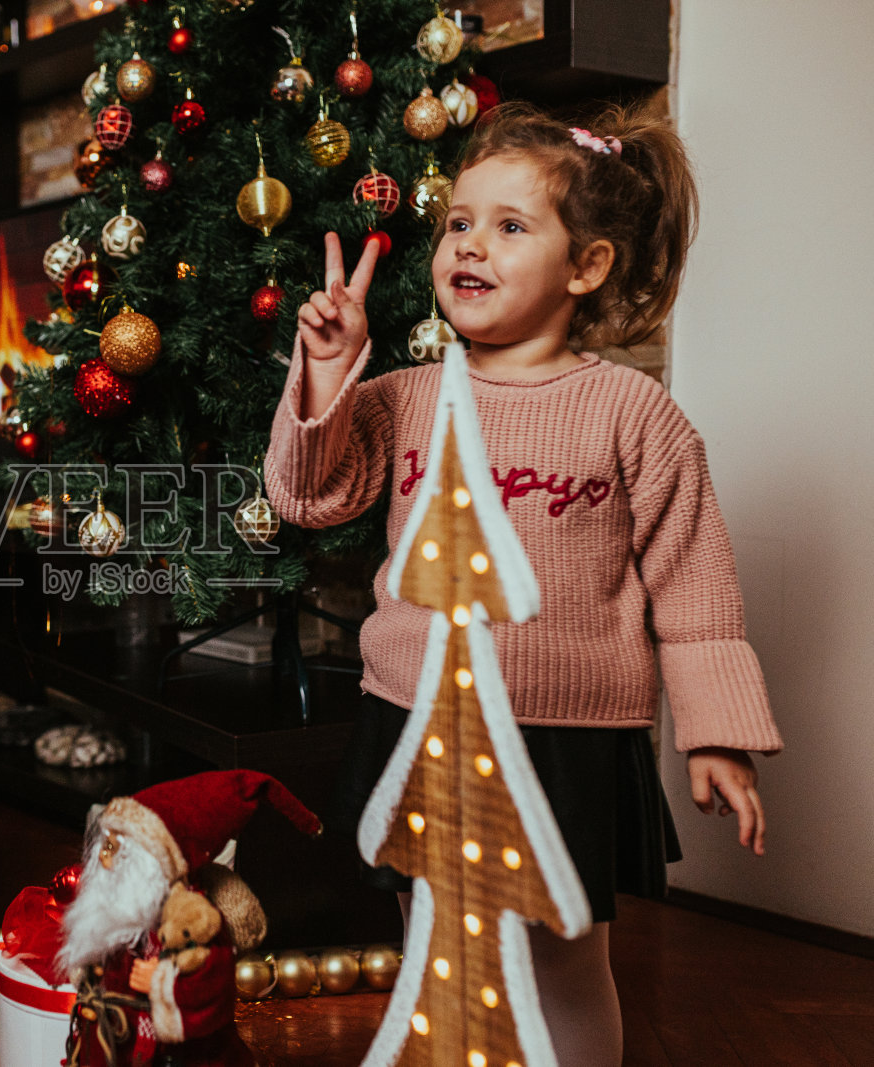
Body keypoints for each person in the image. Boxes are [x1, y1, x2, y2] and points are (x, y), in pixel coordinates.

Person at [265, 102, 784, 1067]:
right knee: (438, 950)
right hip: (417, 717)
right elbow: (308, 495)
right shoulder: (407, 396)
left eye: (511, 227)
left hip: (568, 740)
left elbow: (695, 582)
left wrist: (719, 733)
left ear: (585, 267)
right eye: (459, 223)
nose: (471, 245)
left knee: (562, 961)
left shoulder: (636, 413)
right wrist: (328, 371)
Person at [55, 770, 322, 1067]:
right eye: (106, 845)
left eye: (117, 849)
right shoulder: (117, 915)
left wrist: (163, 982)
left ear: (157, 863)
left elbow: (213, 990)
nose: (105, 859)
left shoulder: (192, 922)